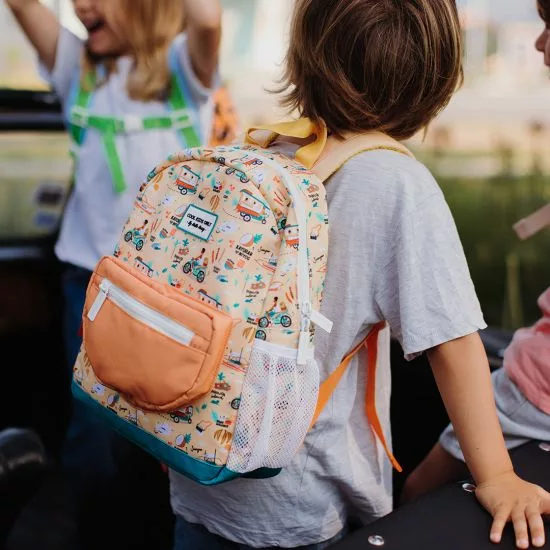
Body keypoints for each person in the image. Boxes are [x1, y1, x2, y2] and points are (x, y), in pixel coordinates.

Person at [168, 1, 550, 549]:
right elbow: (452, 341)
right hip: (297, 501)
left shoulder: (268, 151)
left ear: (303, 56)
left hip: (199, 469)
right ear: (436, 76)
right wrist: (496, 477)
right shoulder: (395, 184)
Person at [5, 0, 221, 546]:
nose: (81, 6)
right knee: (95, 436)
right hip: (91, 288)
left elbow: (207, 17)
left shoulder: (183, 71)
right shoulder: (76, 69)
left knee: (162, 434)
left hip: (168, 298)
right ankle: (93, 532)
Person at [401, 0, 550, 520]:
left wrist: (497, 476)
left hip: (539, 385)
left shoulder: (405, 185)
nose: (539, 44)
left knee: (417, 495)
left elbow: (452, 337)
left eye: (549, 26)